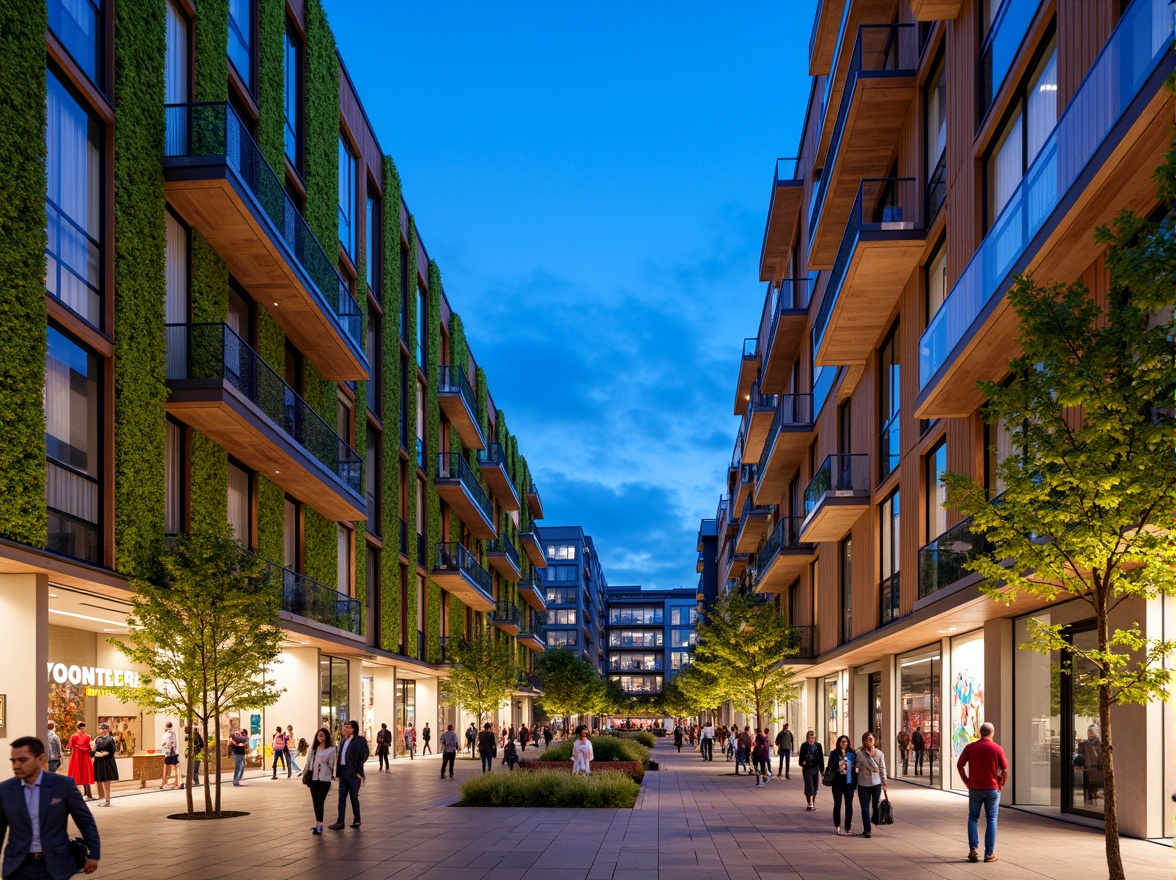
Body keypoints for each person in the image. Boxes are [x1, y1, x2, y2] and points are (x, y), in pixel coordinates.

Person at [1, 736, 101, 877]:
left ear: (40, 759)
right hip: (18, 866)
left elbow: (85, 821)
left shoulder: (63, 785)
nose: (16, 765)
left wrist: (94, 854)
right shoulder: (5, 790)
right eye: (13, 761)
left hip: (54, 866)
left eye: (23, 760)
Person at [957, 721, 1008, 863]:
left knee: (973, 818)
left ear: (980, 732)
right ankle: (989, 854)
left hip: (974, 788)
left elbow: (959, 765)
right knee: (991, 819)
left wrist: (966, 780)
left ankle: (973, 850)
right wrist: (1001, 783)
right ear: (993, 732)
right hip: (992, 788)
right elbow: (1005, 769)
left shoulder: (970, 747)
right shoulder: (997, 749)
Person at [328, 721, 368, 830]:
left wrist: (357, 770)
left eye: (349, 727)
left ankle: (357, 819)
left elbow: (364, 755)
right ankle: (340, 821)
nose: (346, 729)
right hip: (343, 772)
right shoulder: (344, 740)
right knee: (341, 797)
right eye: (345, 727)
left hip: (353, 773)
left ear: (354, 729)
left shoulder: (359, 740)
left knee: (354, 797)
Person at [854, 731, 888, 838]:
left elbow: (882, 768)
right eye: (866, 739)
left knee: (875, 805)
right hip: (863, 783)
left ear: (874, 741)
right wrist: (857, 767)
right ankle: (867, 829)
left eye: (870, 739)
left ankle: (874, 820)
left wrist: (883, 781)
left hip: (876, 783)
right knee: (864, 807)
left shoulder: (879, 753)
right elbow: (856, 767)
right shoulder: (859, 753)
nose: (868, 741)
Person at [306, 727, 335, 835]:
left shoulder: (331, 749)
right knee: (315, 801)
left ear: (326, 736)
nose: (320, 737)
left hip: (325, 778)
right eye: (318, 735)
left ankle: (320, 824)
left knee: (320, 800)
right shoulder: (313, 749)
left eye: (322, 735)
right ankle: (318, 824)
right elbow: (309, 763)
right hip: (314, 778)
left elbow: (332, 764)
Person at [827, 735, 856, 835]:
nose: (844, 743)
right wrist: (840, 764)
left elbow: (855, 766)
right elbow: (831, 766)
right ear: (839, 743)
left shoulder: (851, 753)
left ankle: (847, 827)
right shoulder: (834, 753)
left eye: (846, 742)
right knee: (837, 804)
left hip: (848, 781)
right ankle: (837, 825)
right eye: (842, 741)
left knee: (849, 804)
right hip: (837, 781)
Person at [64, 722, 96, 802]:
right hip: (85, 757)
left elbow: (70, 746)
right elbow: (91, 747)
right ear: (84, 728)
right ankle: (88, 794)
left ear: (77, 728)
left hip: (76, 757)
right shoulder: (88, 737)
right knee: (86, 774)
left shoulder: (73, 736)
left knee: (76, 773)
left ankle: (73, 794)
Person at [91, 723, 118, 808]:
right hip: (99, 761)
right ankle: (101, 797)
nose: (102, 731)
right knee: (98, 780)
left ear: (107, 729)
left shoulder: (110, 739)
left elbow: (112, 751)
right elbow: (92, 751)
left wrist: (105, 754)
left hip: (107, 762)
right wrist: (95, 750)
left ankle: (107, 799)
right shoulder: (98, 739)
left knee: (106, 781)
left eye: (104, 729)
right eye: (101, 729)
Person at [1076, 725, 1102, 805]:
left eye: (1092, 731)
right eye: (1089, 731)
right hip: (1087, 769)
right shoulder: (1083, 744)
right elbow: (1080, 756)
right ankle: (1088, 803)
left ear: (1096, 733)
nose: (1090, 733)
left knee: (1095, 786)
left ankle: (1093, 798)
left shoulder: (1099, 744)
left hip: (1096, 769)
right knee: (1087, 789)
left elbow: (1101, 757)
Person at [798, 729, 823, 811]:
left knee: (815, 785)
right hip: (807, 768)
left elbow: (821, 758)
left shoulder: (818, 746)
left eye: (813, 735)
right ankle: (810, 803)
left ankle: (813, 801)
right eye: (810, 735)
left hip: (815, 768)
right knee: (809, 785)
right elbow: (801, 758)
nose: (812, 737)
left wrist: (822, 770)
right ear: (807, 736)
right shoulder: (804, 745)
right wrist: (803, 762)